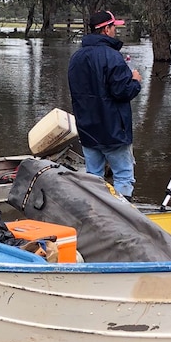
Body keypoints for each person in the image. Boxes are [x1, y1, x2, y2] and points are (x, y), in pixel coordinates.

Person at [67, 10, 142, 200]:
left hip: (87, 130)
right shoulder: (113, 57)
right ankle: (124, 217)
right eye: (113, 27)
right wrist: (135, 81)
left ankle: (96, 215)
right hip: (114, 131)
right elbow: (122, 92)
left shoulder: (76, 58)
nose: (115, 30)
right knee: (123, 176)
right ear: (105, 29)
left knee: (93, 178)